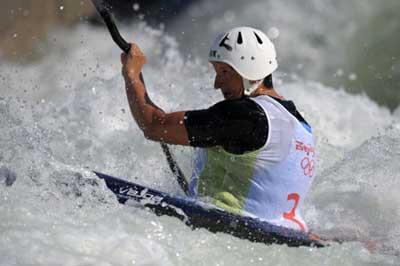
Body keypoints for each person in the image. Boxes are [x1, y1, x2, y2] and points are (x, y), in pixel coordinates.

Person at [121, 26, 316, 233]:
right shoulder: (302, 126)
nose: (216, 83)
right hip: (290, 236)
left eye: (224, 72)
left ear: (249, 71)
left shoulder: (245, 116)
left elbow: (153, 125)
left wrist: (132, 74)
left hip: (239, 238)